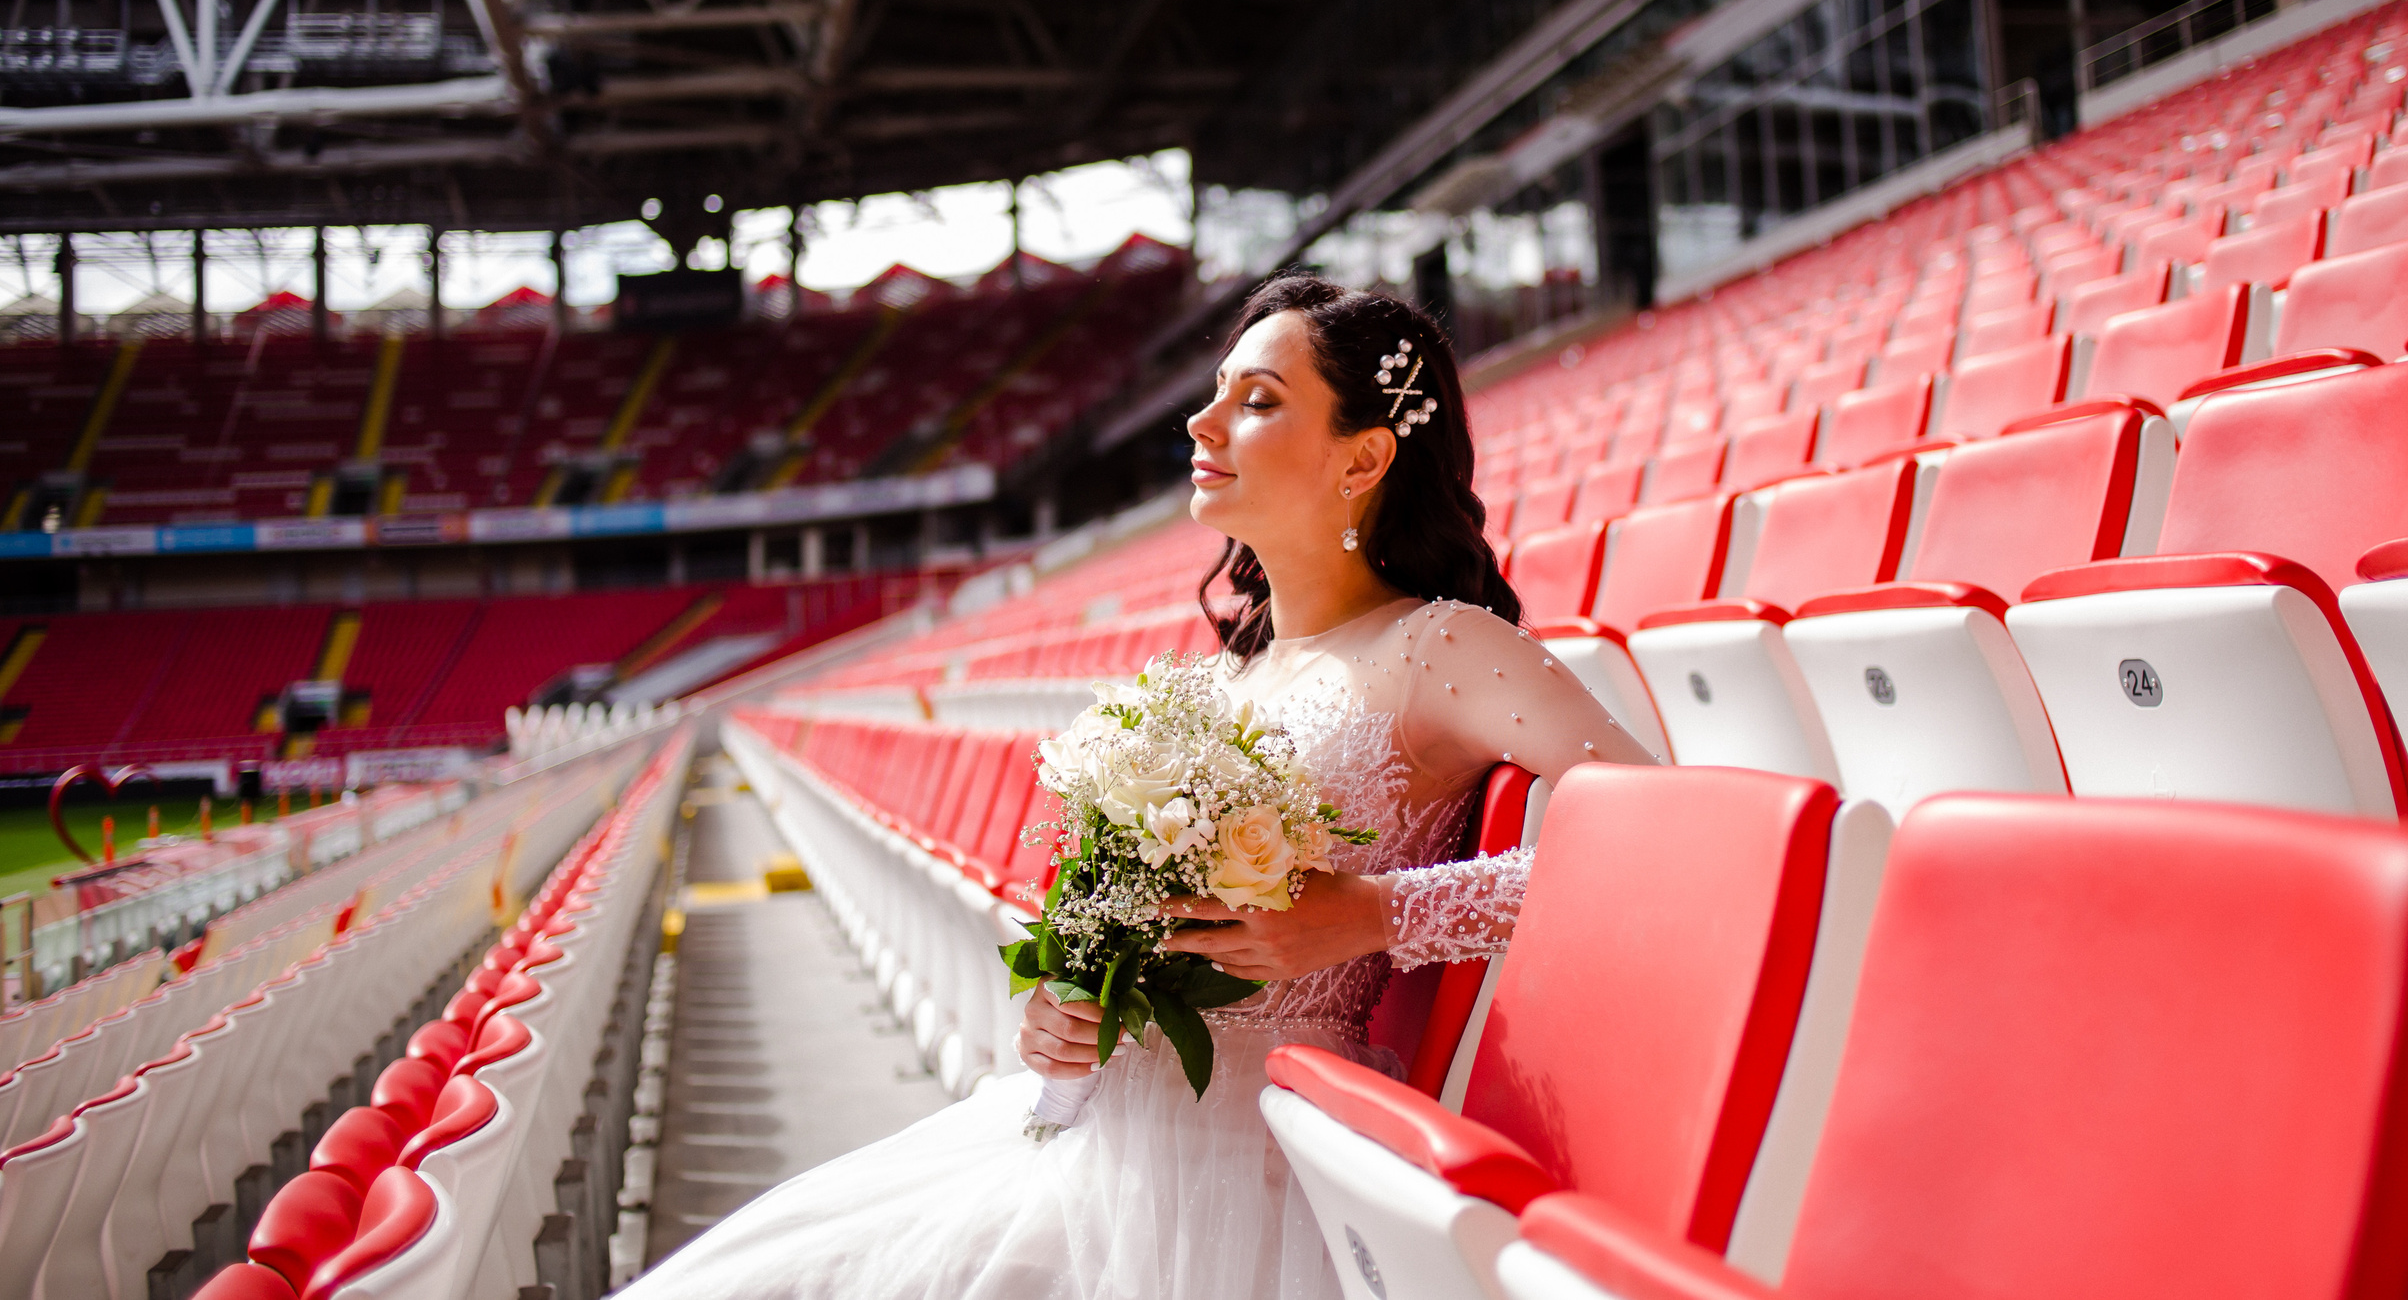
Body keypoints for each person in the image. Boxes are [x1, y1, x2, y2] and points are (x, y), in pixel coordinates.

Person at [629, 273, 1657, 1300]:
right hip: (1101, 1139)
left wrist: (1378, 913)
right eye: (1215, 391)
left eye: (1257, 400)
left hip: (1249, 1158)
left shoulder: (1444, 647)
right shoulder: (1220, 681)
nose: (1202, 421)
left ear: (1363, 457)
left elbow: (1666, 848)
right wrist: (1068, 1014)